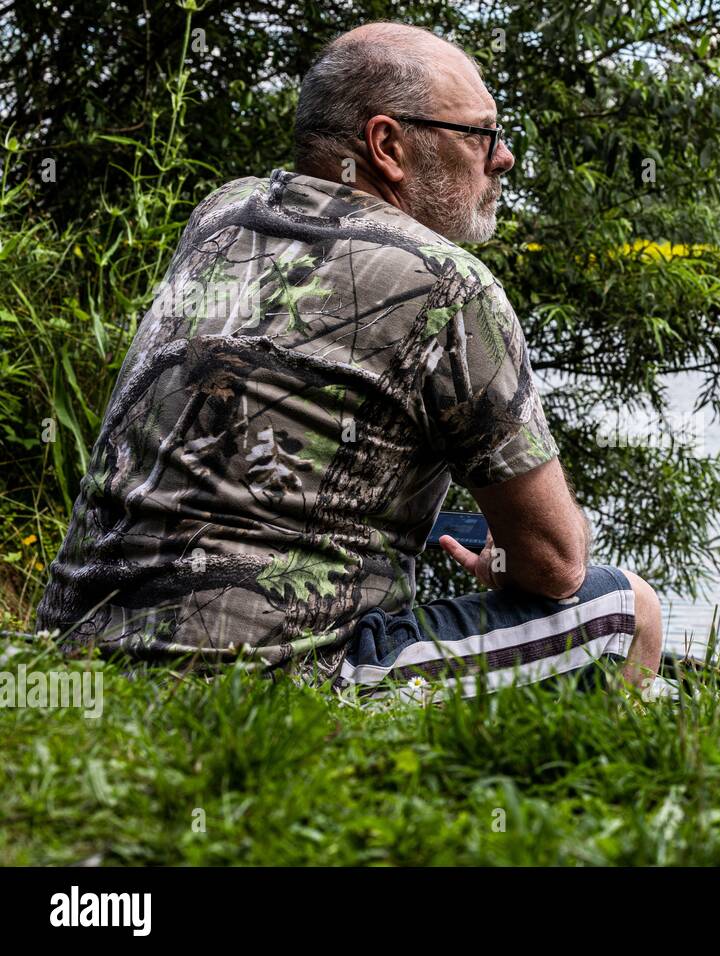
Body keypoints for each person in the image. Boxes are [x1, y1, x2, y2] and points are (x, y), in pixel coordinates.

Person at [35, 21, 663, 700]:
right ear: (388, 145)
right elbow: (556, 567)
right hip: (270, 680)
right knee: (629, 609)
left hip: (77, 649)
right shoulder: (449, 283)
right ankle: (591, 787)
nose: (502, 157)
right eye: (480, 135)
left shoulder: (221, 215)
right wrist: (519, 558)